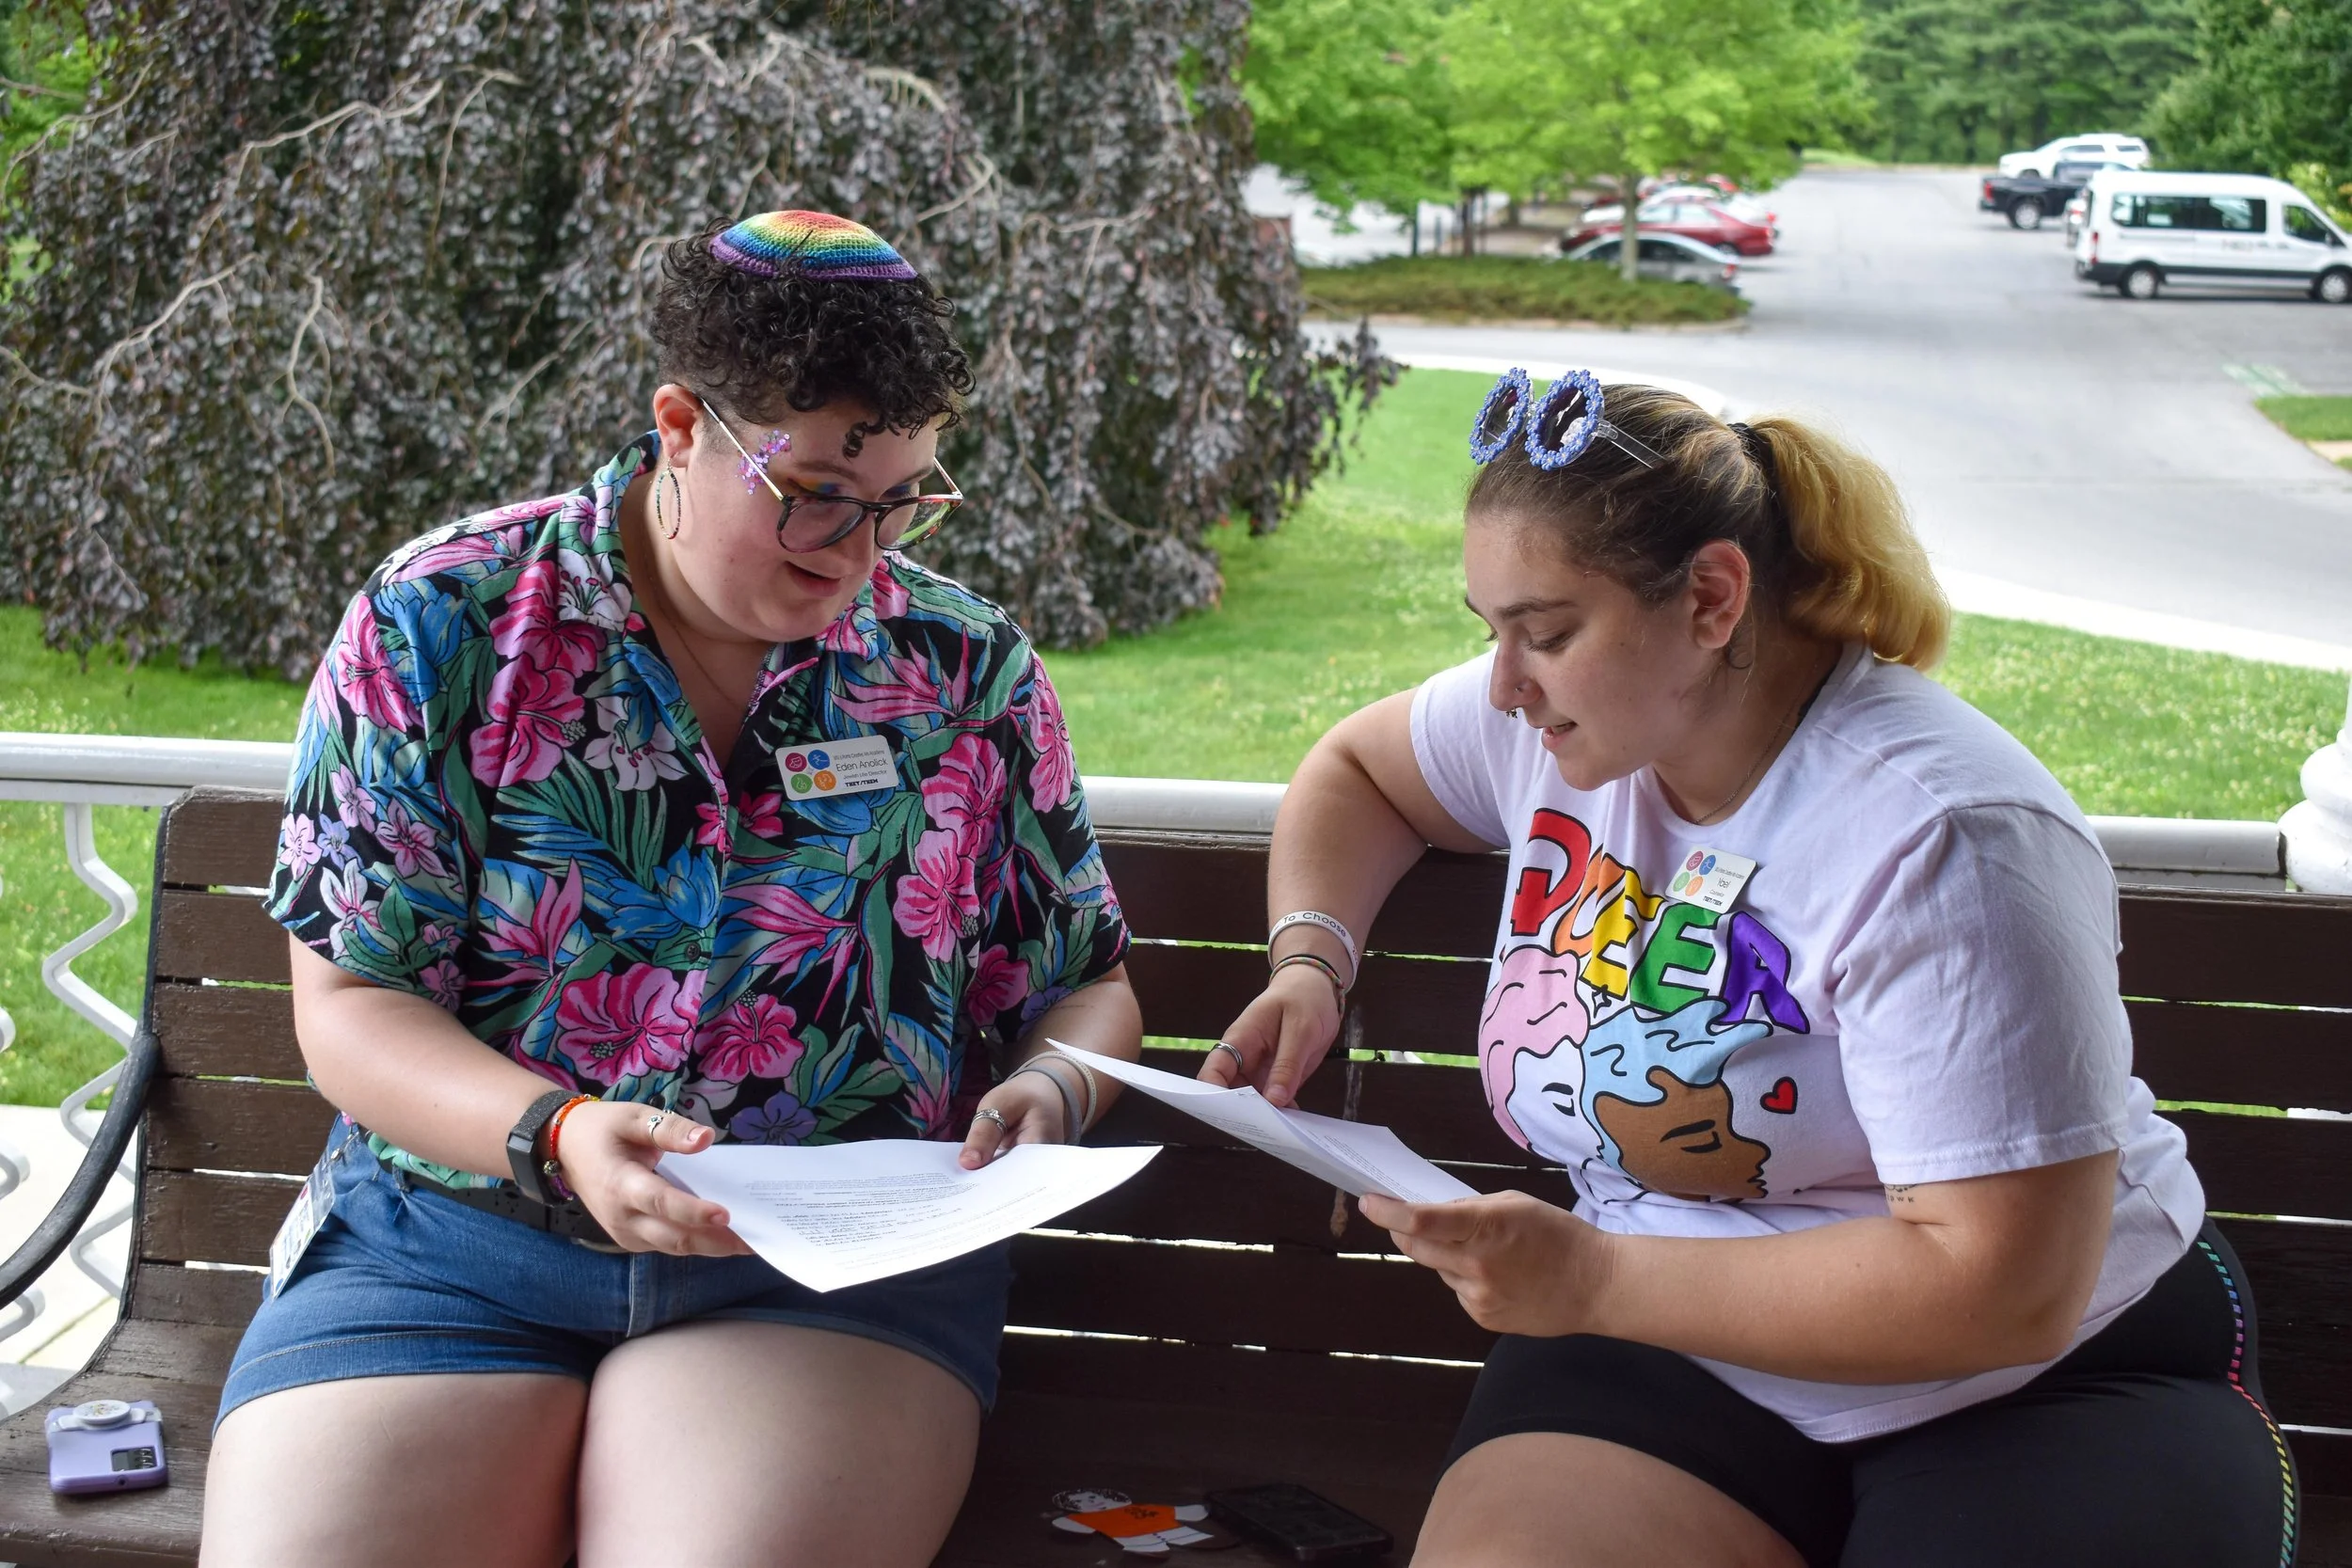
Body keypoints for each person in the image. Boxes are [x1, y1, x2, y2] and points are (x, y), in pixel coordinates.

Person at [1203, 370, 2296, 1568]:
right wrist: (1312, 959)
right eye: (1490, 630)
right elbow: (1356, 771)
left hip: (2043, 1378)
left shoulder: (1947, 835)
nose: (1507, 684)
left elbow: (2002, 1284)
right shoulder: (1565, 727)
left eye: (1548, 631)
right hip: (1673, 1345)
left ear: (1713, 598)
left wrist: (1597, 1275)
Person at [201, 211, 1140, 1568]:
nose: (853, 550)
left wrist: (1054, 1087)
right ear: (681, 424)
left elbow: (1086, 983)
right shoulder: (446, 617)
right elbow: (351, 1001)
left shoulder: (959, 667)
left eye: (900, 499)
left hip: (821, 1272)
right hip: (454, 1240)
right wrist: (557, 1129)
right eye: (813, 487)